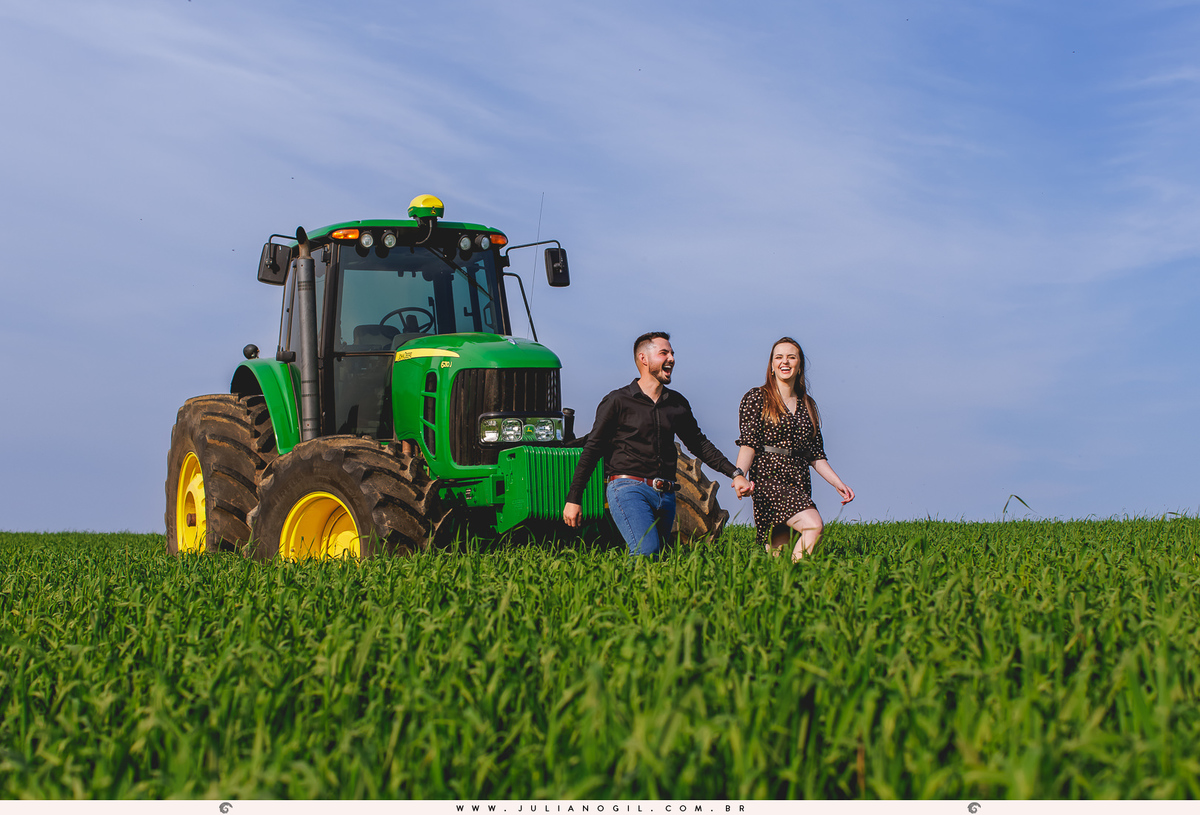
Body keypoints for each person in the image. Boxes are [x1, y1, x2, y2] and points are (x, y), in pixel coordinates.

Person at [563, 331, 752, 558]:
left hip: (666, 494)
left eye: (672, 353)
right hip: (628, 488)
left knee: (658, 560)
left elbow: (699, 444)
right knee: (646, 551)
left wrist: (735, 473)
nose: (671, 358)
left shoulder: (677, 404)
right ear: (643, 358)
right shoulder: (617, 401)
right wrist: (574, 499)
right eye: (664, 353)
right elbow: (592, 450)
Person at [734, 337, 853, 560]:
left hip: (798, 480)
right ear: (771, 365)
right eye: (778, 357)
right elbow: (749, 443)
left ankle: (782, 581)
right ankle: (800, 574)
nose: (785, 362)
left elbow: (815, 455)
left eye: (791, 357)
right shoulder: (757, 398)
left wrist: (838, 483)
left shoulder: (808, 405)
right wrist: (739, 475)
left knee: (779, 554)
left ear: (799, 366)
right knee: (813, 525)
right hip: (769, 478)